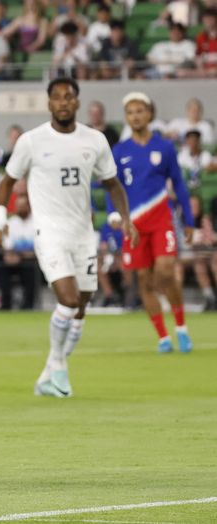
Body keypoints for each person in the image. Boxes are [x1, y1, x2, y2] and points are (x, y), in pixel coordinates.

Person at [0, 78, 136, 398]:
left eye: (68, 97)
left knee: (81, 308)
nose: (63, 102)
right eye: (57, 97)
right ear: (49, 103)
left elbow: (112, 184)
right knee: (68, 300)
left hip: (83, 234)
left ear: (77, 102)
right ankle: (58, 367)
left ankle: (50, 373)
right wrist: (0, 219)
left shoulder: (95, 140)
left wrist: (125, 218)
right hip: (49, 232)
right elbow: (7, 181)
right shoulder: (31, 141)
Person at [109, 92, 194, 353]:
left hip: (161, 220)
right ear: (127, 117)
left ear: (150, 114)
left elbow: (178, 182)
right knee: (144, 280)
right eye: (130, 112)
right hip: (133, 225)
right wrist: (115, 214)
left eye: (140, 111)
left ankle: (181, 327)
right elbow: (112, 186)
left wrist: (188, 219)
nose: (135, 116)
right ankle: (163, 337)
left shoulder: (165, 147)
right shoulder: (119, 151)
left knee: (166, 272)